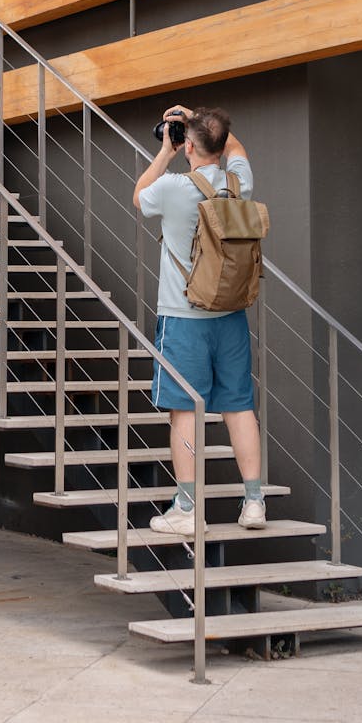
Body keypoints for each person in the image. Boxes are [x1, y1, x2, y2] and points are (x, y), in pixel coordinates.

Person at [133, 104, 266, 534]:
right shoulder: (238, 182)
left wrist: (168, 150)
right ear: (220, 145)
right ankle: (254, 503)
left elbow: (139, 196)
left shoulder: (173, 186)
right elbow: (236, 146)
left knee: (184, 411)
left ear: (188, 145)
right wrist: (203, 126)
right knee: (239, 405)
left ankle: (188, 509)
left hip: (183, 317)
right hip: (230, 316)